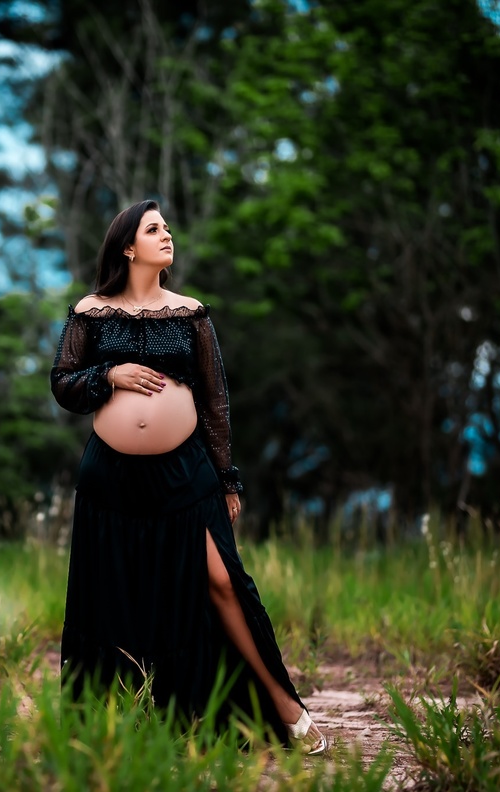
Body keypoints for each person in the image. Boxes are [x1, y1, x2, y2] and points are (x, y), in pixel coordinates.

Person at [50, 199, 327, 754]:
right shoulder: (90, 311)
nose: (166, 235)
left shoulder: (191, 312)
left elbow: (216, 400)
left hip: (186, 473)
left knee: (223, 583)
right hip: (112, 479)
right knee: (114, 598)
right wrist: (111, 373)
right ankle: (116, 725)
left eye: (167, 228)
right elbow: (63, 384)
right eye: (154, 229)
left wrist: (227, 478)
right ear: (129, 247)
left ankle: (283, 706)